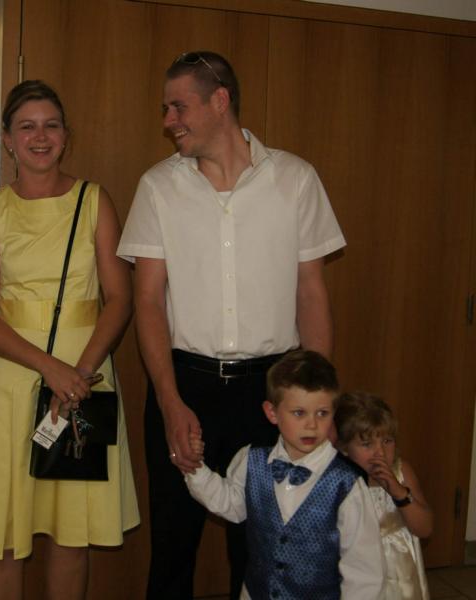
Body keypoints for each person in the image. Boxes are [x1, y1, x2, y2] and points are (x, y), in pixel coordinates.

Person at [116, 50, 347, 599]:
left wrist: (318, 404)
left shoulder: (294, 179)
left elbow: (311, 293)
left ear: (220, 101)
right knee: (173, 545)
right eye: (166, 109)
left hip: (271, 391)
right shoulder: (158, 187)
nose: (169, 120)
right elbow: (147, 301)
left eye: (179, 107)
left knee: (265, 551)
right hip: (184, 385)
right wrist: (169, 402)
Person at [0, 80, 139, 600]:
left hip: (85, 377)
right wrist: (51, 369)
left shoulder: (95, 202)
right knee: (2, 537)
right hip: (8, 380)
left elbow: (119, 298)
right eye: (26, 126)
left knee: (72, 536)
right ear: (7, 139)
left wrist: (79, 375)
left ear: (66, 135)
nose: (40, 136)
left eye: (51, 125)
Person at [185, 350, 384, 599]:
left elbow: (364, 569)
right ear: (272, 413)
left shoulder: (346, 484)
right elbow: (231, 505)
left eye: (322, 413)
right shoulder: (251, 460)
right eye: (299, 413)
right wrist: (195, 467)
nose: (312, 424)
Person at [335, 391, 433, 599]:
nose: (380, 452)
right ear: (343, 448)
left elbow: (425, 529)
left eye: (387, 441)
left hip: (400, 578)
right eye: (367, 444)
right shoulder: (338, 481)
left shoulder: (402, 472)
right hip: (358, 576)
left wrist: (399, 492)